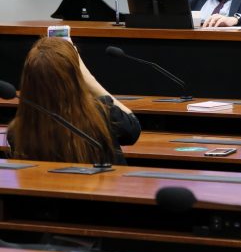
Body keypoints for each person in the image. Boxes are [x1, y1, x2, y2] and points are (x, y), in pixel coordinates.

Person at [7, 37, 141, 165]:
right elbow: (133, 129)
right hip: (102, 188)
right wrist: (89, 79)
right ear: (73, 78)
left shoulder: (17, 132)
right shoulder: (102, 114)